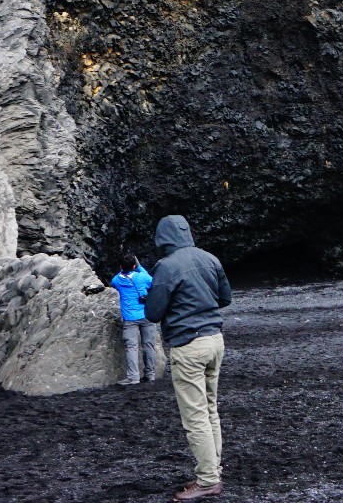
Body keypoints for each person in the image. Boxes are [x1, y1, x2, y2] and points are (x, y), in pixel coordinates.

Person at [144, 214, 232, 500]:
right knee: (209, 408)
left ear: (163, 237)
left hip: (188, 345)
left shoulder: (166, 267)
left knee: (195, 416)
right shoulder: (210, 259)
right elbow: (224, 298)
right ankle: (213, 469)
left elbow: (153, 313)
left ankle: (207, 480)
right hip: (215, 341)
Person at [111, 254, 158, 385]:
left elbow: (115, 281)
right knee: (148, 345)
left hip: (129, 319)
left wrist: (124, 269)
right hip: (146, 315)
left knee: (131, 347)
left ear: (120, 267)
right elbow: (152, 281)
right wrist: (139, 267)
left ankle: (134, 378)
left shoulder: (117, 280)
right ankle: (150, 374)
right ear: (134, 266)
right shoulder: (142, 277)